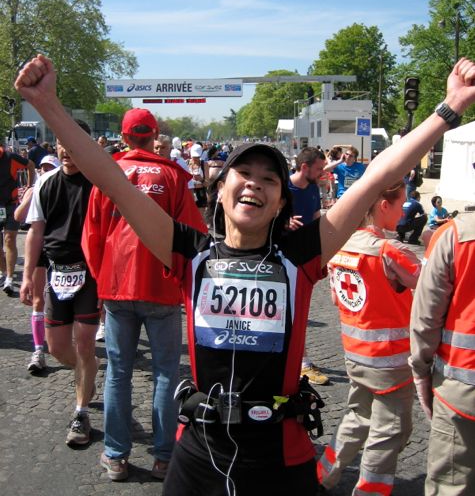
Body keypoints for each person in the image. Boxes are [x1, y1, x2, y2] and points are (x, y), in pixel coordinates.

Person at [14, 54, 475, 496]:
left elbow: (377, 176)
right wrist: (47, 104)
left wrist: (450, 106)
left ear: (280, 203)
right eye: (244, 172)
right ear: (220, 192)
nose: (255, 182)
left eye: (269, 179)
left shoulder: (300, 255)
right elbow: (110, 178)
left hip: (281, 456)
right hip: (198, 452)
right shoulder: (187, 251)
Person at [82, 108, 207, 481]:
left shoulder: (109, 174)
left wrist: (102, 281)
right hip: (162, 285)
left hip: (118, 285)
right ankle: (165, 457)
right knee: (166, 373)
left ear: (123, 137)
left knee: (118, 372)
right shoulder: (172, 176)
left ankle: (116, 455)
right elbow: (194, 234)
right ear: (155, 137)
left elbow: (92, 235)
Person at [317, 181, 421, 495]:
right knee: (388, 432)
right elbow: (435, 287)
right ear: (381, 205)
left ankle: (323, 475)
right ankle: (369, 491)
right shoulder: (390, 250)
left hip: (355, 354)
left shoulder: (340, 247)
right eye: (401, 202)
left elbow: (339, 300)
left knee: (357, 416)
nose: (404, 209)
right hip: (391, 361)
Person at [20, 119, 100, 447]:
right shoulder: (46, 183)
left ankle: (81, 412)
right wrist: (27, 277)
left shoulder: (99, 182)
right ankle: (88, 371)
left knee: (84, 342)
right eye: (61, 143)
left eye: (73, 142)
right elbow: (35, 231)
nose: (66, 150)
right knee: (57, 348)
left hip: (90, 273)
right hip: (56, 272)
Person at [409, 178, 475, 495]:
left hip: (462, 390)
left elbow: (426, 317)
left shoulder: (454, 235)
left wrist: (421, 372)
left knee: (451, 485)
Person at [15, 155, 60, 372]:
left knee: (62, 301)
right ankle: (38, 350)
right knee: (37, 300)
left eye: (49, 167)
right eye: (42, 168)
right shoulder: (37, 188)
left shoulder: (61, 187)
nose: (44, 171)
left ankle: (65, 342)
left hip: (61, 251)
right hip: (40, 250)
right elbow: (18, 217)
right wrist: (28, 197)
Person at [288, 147, 330, 386]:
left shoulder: (313, 187)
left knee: (299, 312)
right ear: (305, 167)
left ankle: (299, 361)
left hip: (304, 258)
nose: (322, 172)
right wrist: (282, 220)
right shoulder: (284, 187)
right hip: (282, 256)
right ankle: (301, 363)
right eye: (318, 168)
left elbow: (315, 218)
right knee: (292, 312)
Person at [0, 141, 35, 295]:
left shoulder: (10, 157)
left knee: (9, 239)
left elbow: (31, 165)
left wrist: (29, 185)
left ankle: (9, 278)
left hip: (10, 204)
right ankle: (3, 272)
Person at [188, 143, 207, 207]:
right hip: (189, 192)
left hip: (200, 192)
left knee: (201, 215)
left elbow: (208, 183)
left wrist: (201, 179)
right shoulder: (187, 163)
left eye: (198, 157)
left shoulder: (204, 164)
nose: (196, 158)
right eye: (194, 156)